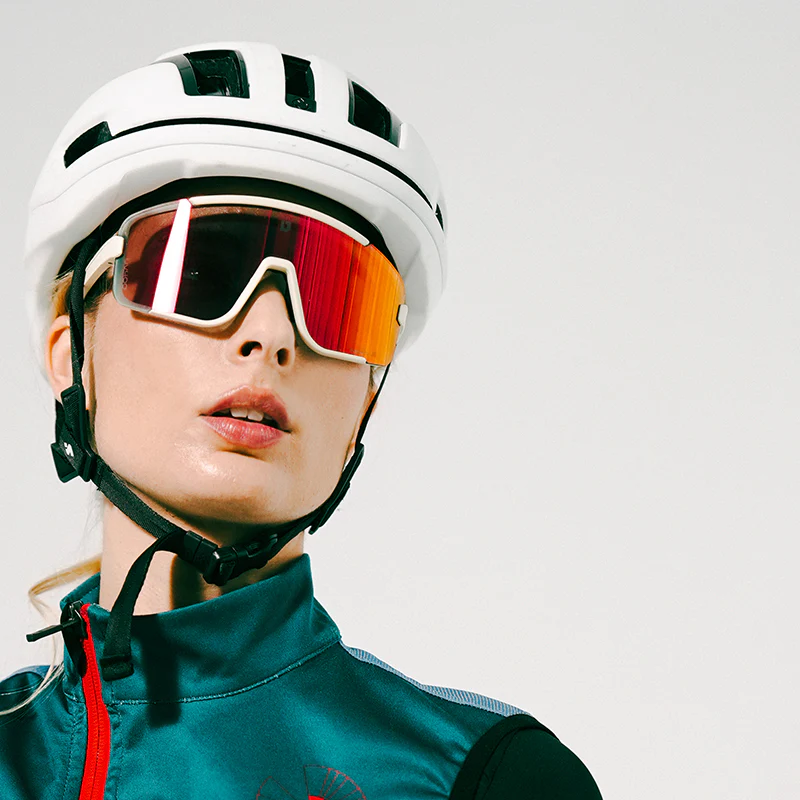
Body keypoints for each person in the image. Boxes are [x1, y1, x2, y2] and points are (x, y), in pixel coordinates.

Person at [0, 42, 603, 799]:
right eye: (198, 271)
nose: (272, 334)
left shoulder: (485, 779)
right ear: (72, 356)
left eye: (339, 303)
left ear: (364, 404)